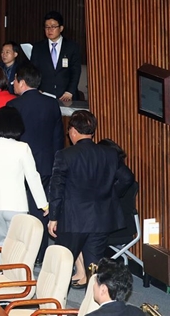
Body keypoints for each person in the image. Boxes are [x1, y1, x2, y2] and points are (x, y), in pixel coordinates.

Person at [48, 110, 134, 289]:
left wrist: (53, 217)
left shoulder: (65, 155)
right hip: (100, 219)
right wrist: (110, 195)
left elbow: (57, 188)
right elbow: (127, 178)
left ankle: (55, 306)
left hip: (73, 220)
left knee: (62, 263)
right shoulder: (109, 154)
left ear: (73, 131)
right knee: (93, 269)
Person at [0, 107, 48, 263]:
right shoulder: (22, 148)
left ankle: (3, 275)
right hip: (16, 205)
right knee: (19, 244)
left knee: (0, 241)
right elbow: (33, 178)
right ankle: (17, 277)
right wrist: (43, 204)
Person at [7, 63, 64, 265]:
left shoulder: (13, 106)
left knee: (21, 208)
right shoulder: (52, 104)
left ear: (22, 82)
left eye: (15, 80)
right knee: (41, 208)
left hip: (21, 166)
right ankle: (40, 253)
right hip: (46, 164)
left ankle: (25, 251)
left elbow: (9, 139)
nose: (13, 83)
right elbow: (58, 139)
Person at [71, 138, 136, 288]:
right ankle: (81, 271)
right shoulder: (112, 177)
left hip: (119, 227)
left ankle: (83, 273)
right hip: (109, 222)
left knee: (78, 228)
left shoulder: (114, 181)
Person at [30, 11, 81, 102]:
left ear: (61, 28)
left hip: (66, 96)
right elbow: (34, 71)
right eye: (47, 27)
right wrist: (37, 89)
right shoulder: (38, 48)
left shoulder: (72, 47)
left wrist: (70, 91)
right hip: (44, 95)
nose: (50, 30)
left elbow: (76, 71)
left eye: (53, 27)